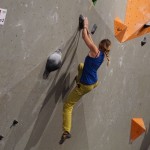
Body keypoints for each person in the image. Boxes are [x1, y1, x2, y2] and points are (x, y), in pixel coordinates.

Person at [59, 17, 111, 144]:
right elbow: (90, 41)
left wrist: (85, 25)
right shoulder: (102, 55)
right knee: (81, 66)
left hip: (85, 85)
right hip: (93, 82)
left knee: (68, 105)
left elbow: (84, 37)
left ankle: (66, 131)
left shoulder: (95, 50)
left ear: (100, 45)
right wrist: (88, 33)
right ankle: (79, 79)